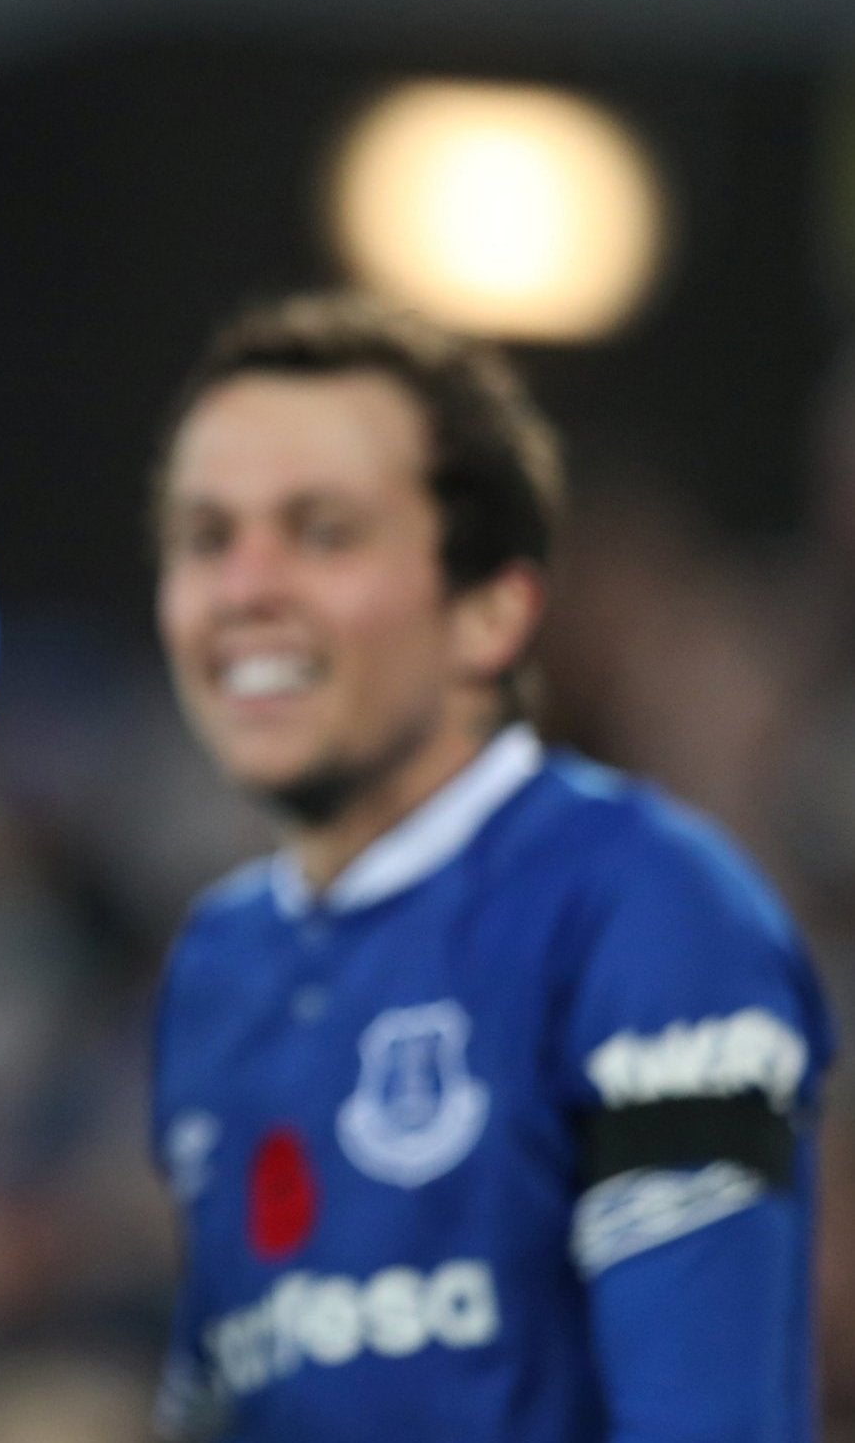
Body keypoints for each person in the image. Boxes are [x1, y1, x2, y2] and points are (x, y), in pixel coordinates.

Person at [145, 292, 832, 1441]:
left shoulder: (642, 902)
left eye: (322, 531)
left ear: (489, 612)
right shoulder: (217, 959)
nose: (243, 588)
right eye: (205, 536)